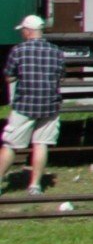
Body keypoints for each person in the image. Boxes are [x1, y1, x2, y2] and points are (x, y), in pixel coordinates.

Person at [2, 15, 63, 195]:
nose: (22, 33)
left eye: (23, 30)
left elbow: (9, 75)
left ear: (28, 31)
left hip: (25, 104)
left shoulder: (18, 50)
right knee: (41, 144)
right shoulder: (56, 51)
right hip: (49, 104)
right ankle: (35, 185)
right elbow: (61, 75)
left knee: (10, 144)